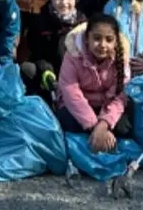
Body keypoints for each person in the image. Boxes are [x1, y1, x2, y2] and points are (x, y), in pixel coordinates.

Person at [55, 14, 132, 154]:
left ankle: (101, 142)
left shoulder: (121, 59)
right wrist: (93, 125)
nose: (103, 45)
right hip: (78, 109)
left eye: (109, 40)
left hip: (105, 108)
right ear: (87, 39)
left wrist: (104, 124)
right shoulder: (72, 56)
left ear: (115, 42)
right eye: (97, 38)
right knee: (67, 123)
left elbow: (119, 96)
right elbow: (71, 93)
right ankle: (90, 145)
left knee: (123, 128)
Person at [21, 0, 85, 94]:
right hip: (49, 74)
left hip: (76, 78)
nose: (64, 3)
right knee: (27, 69)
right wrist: (46, 70)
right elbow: (36, 54)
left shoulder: (83, 24)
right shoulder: (40, 22)